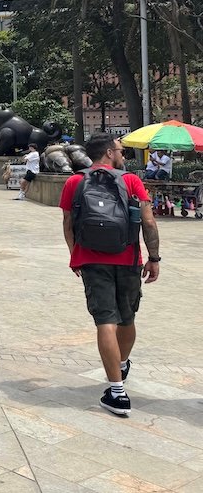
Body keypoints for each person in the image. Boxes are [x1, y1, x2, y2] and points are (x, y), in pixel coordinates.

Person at [59, 133, 160, 417]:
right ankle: (123, 364)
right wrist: (153, 258)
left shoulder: (74, 182)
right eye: (121, 150)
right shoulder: (130, 181)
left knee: (106, 321)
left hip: (90, 259)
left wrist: (74, 255)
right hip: (128, 258)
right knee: (126, 318)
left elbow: (68, 224)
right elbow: (149, 222)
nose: (123, 155)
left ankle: (117, 392)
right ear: (107, 153)